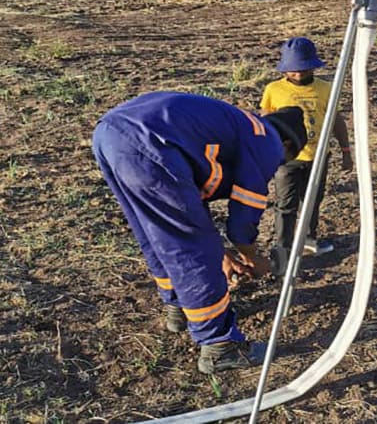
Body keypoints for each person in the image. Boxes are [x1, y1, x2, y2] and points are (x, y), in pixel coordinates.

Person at [91, 92, 307, 374]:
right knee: (192, 247)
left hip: (111, 133)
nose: (277, 165)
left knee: (156, 233)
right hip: (149, 142)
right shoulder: (266, 138)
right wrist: (250, 256)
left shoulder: (234, 126)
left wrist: (224, 254)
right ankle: (220, 346)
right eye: (285, 160)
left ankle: (177, 308)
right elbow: (244, 214)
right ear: (288, 144)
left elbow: (191, 202)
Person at [260, 37, 352, 266]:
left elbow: (336, 120)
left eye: (303, 68)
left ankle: (309, 239)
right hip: (287, 160)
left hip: (318, 156)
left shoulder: (325, 89)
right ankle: (282, 247)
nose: (298, 74)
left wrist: (345, 150)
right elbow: (264, 123)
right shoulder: (274, 90)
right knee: (285, 203)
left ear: (313, 65)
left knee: (312, 200)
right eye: (293, 69)